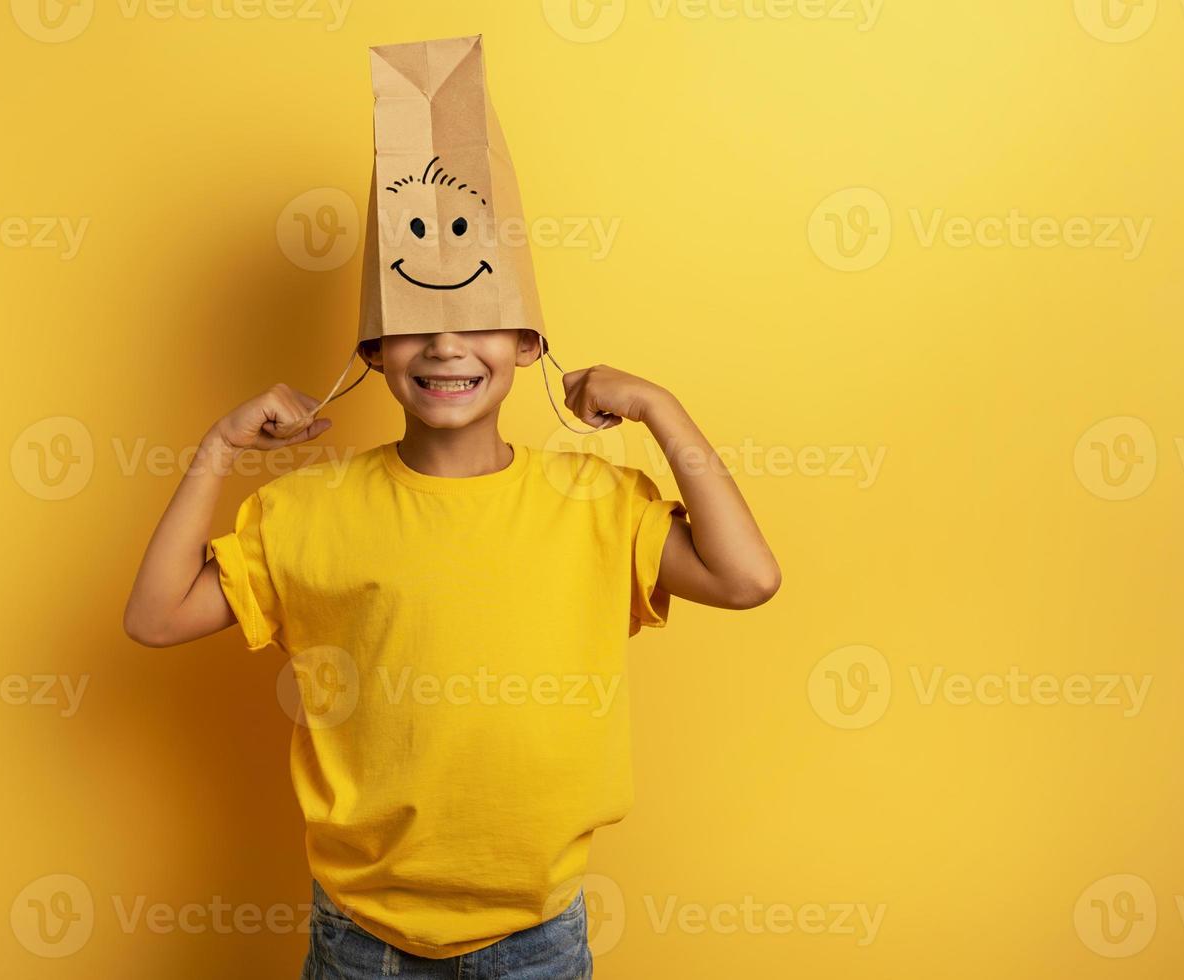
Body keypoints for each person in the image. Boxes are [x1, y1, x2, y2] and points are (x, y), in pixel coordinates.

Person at [123, 325, 780, 979]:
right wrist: (219, 447)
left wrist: (662, 411)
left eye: (477, 323)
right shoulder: (306, 510)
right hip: (361, 935)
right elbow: (157, 615)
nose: (444, 347)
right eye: (411, 328)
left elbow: (745, 577)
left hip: (538, 935)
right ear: (373, 351)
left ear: (529, 344)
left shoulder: (598, 500)